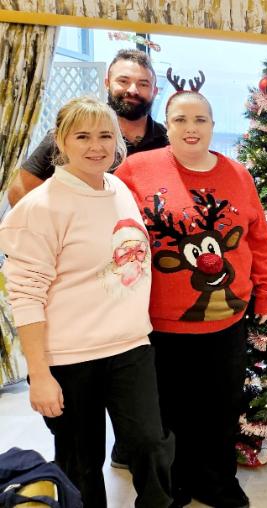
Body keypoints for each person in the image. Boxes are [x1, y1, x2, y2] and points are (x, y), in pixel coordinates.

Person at [115, 72, 267, 507]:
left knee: (220, 410)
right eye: (181, 119)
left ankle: (218, 481)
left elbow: (258, 240)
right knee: (168, 412)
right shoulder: (136, 169)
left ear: (212, 125)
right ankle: (173, 485)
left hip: (225, 321)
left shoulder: (238, 175)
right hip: (159, 323)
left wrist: (266, 292)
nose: (191, 127)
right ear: (166, 126)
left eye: (201, 119)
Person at [0, 96, 174, 507]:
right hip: (70, 356)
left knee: (151, 444)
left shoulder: (119, 188)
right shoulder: (40, 208)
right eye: (82, 136)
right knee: (81, 461)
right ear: (60, 141)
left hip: (131, 346)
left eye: (105, 135)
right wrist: (39, 374)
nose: (96, 146)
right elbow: (24, 296)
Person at [7, 49, 168, 207]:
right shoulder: (71, 132)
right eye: (123, 81)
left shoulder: (168, 141)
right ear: (107, 83)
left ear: (154, 91)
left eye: (143, 84)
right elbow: (20, 191)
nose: (133, 90)